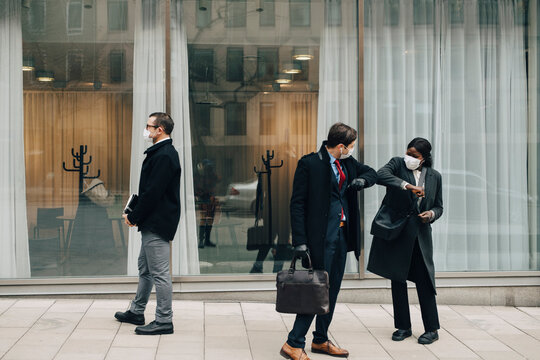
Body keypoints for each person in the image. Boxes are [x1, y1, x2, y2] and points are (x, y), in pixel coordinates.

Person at [280, 123, 377, 360]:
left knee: (331, 291)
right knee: (317, 290)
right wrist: (300, 241)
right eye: (351, 146)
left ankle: (320, 340)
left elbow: (372, 173)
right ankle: (293, 343)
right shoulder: (310, 164)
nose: (352, 150)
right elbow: (297, 204)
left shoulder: (348, 163)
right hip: (319, 239)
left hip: (342, 236)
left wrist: (362, 182)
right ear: (341, 146)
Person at [367, 137, 443, 345]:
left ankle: (431, 329)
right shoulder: (397, 164)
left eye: (414, 155)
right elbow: (380, 175)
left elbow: (439, 206)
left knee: (425, 282)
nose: (409, 157)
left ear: (424, 158)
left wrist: (432, 214)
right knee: (397, 280)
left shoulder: (435, 176)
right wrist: (409, 186)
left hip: (420, 236)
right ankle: (403, 327)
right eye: (408, 152)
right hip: (398, 233)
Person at [114, 112, 181, 335]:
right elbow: (151, 192)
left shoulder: (164, 155)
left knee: (159, 273)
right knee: (146, 269)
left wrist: (134, 216)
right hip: (153, 221)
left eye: (149, 126)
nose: (146, 130)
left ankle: (164, 320)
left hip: (157, 222)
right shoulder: (161, 152)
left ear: (159, 129)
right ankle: (137, 310)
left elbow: (153, 193)